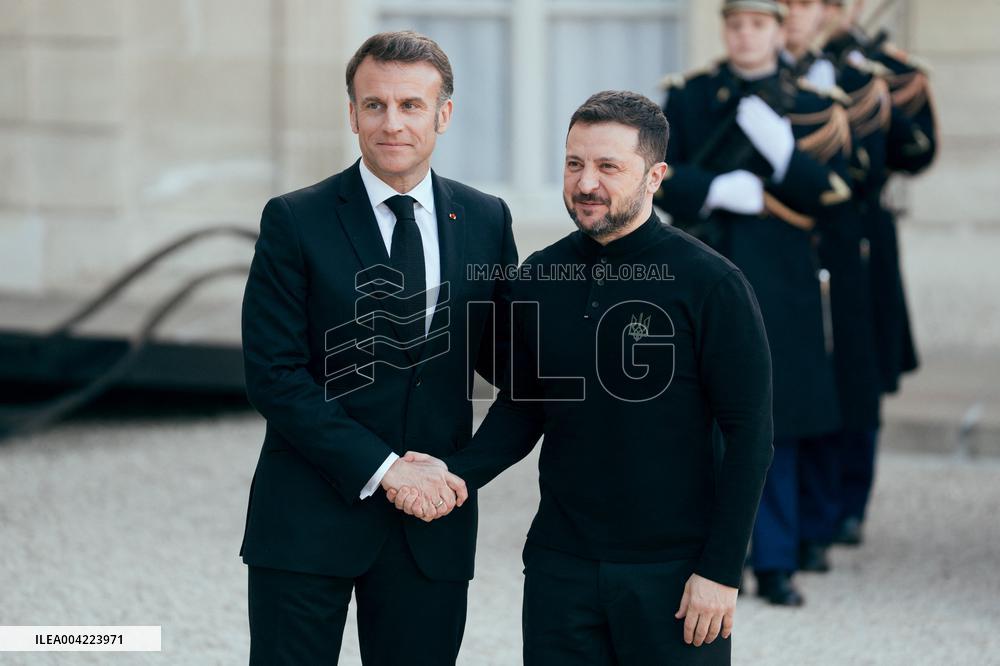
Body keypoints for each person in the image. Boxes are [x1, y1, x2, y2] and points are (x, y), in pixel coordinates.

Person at [392, 90, 774, 665]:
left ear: (655, 176)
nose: (586, 182)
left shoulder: (712, 284)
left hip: (672, 574)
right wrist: (454, 474)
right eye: (575, 163)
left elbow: (751, 435)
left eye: (608, 167)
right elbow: (523, 408)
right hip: (559, 566)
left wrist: (719, 571)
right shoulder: (539, 276)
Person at [239, 30, 517, 665]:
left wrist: (460, 475)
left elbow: (510, 367)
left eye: (411, 105)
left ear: (443, 114)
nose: (392, 123)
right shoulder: (294, 219)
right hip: (308, 517)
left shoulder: (487, 219)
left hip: (431, 529)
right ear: (353, 113)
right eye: (375, 105)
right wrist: (388, 469)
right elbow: (274, 376)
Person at [654, 0, 855, 605]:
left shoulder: (813, 103)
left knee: (778, 423)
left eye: (759, 24)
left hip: (782, 280)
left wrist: (786, 157)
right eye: (736, 24)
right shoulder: (689, 98)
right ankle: (719, 558)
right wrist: (712, 187)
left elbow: (836, 193)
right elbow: (656, 176)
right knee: (706, 421)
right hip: (707, 272)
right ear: (725, 29)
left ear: (778, 29)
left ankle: (776, 560)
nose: (746, 35)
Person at [821, 0, 937, 546]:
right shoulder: (784, 64)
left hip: (860, 238)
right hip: (798, 239)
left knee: (858, 369)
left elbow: (917, 152)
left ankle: (850, 499)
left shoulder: (882, 70)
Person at [778, 0, 884, 573]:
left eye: (804, 4)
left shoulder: (853, 82)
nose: (793, 14)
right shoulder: (738, 85)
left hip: (833, 252)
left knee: (836, 382)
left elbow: (866, 171)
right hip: (763, 254)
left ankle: (831, 510)